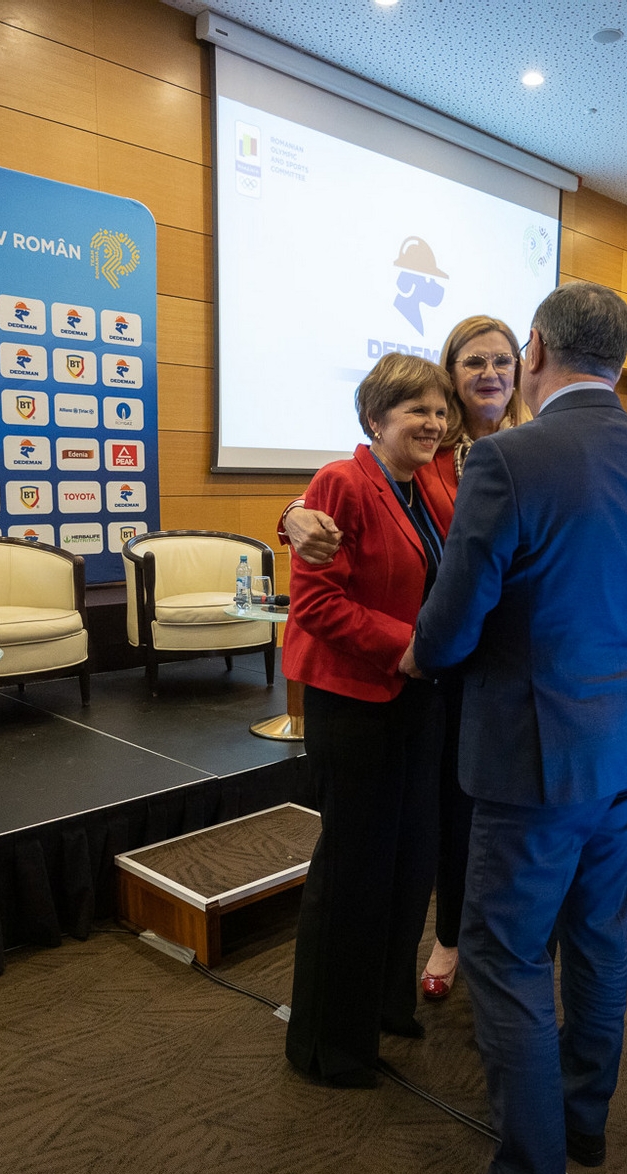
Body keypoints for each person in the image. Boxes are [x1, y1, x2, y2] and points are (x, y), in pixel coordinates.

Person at [402, 282, 627, 1174]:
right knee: (598, 940)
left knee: (504, 956)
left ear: (533, 349)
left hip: (533, 755)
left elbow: (453, 620)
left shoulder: (506, 458)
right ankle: (580, 1122)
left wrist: (424, 654)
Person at [281, 317, 531, 1004]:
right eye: (473, 361)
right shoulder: (432, 461)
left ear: (522, 370)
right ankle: (442, 948)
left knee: (465, 831)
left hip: (493, 670)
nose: (489, 373)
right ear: (452, 372)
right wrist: (295, 511)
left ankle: (460, 960)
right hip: (422, 678)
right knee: (429, 829)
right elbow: (354, 503)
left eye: (503, 360)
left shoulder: (532, 446)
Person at [281, 353, 455, 1087]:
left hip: (418, 699)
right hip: (356, 700)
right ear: (375, 418)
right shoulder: (342, 482)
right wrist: (407, 648)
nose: (434, 423)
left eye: (439, 411)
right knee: (353, 872)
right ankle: (329, 1044)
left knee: (407, 863)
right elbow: (316, 604)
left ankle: (384, 1006)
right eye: (417, 410)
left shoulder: (427, 487)